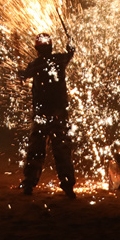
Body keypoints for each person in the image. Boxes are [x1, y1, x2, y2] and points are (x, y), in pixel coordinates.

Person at [18, 33, 76, 199]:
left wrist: (21, 73)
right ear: (50, 47)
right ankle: (68, 186)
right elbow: (70, 53)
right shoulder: (59, 60)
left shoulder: (35, 65)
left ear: (37, 49)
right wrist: (70, 43)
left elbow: (25, 74)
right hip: (59, 114)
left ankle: (29, 184)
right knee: (62, 151)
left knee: (36, 150)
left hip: (42, 116)